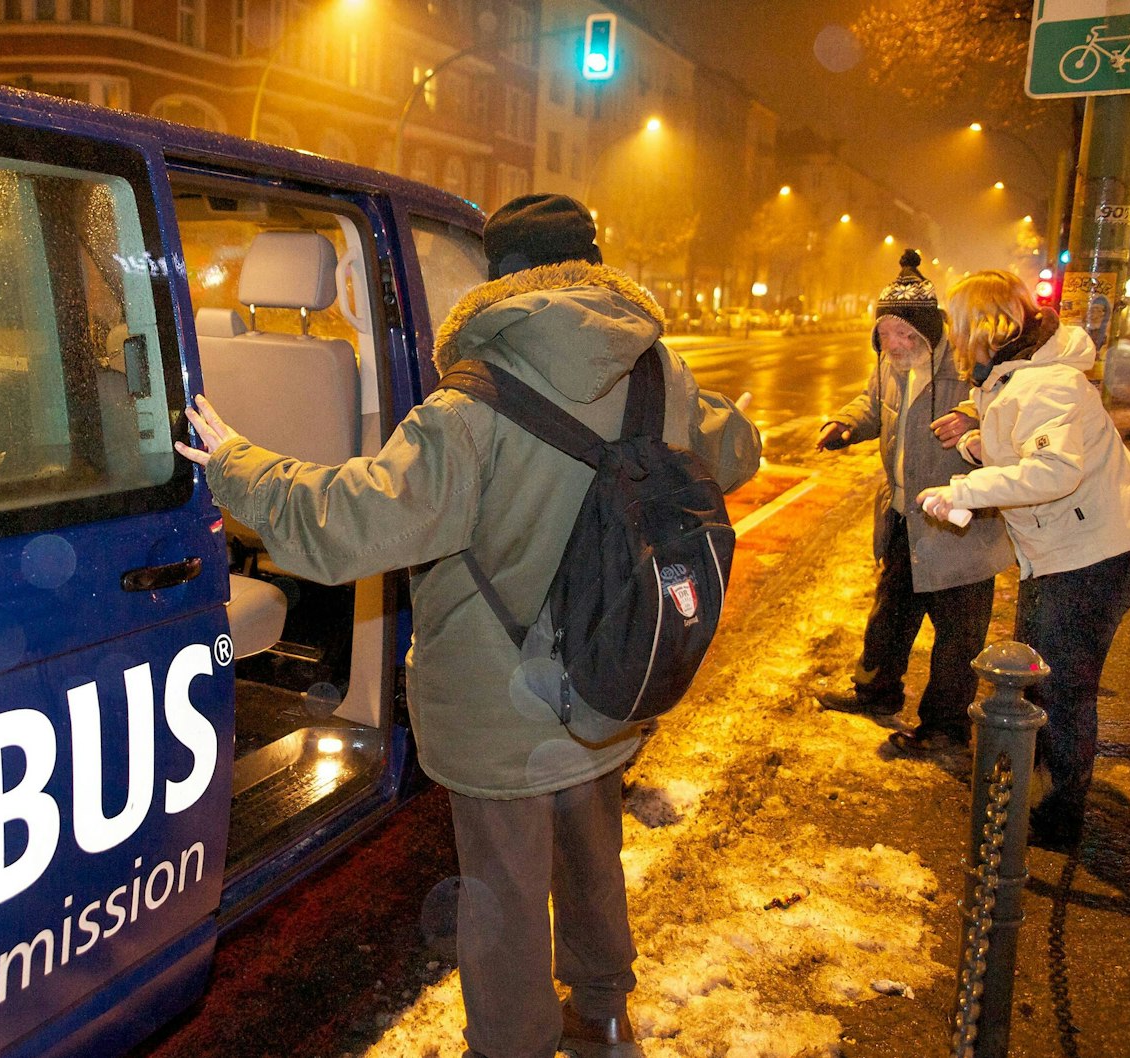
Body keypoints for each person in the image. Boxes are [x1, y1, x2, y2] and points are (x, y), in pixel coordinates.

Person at [176, 194, 760, 1058]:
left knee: (504, 891)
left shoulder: (470, 404)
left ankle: (511, 1045)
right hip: (609, 671)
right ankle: (602, 1014)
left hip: (502, 702)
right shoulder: (655, 371)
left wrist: (237, 465)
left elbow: (352, 524)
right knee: (589, 846)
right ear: (590, 266)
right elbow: (738, 451)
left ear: (498, 278)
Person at [918, 269, 1130, 850]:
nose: (952, 338)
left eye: (956, 325)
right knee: (1040, 675)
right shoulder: (1009, 378)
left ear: (981, 326)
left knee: (1061, 685)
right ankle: (1037, 794)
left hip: (1097, 551)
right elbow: (1024, 452)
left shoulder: (1046, 382)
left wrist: (963, 490)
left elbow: (1054, 471)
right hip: (1069, 550)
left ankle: (1057, 818)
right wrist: (977, 445)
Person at [814, 251, 1014, 752]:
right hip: (906, 514)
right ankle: (876, 690)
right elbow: (871, 403)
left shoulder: (971, 368)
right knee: (891, 612)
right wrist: (846, 425)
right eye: (886, 333)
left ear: (930, 332)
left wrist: (976, 420)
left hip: (960, 521)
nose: (896, 344)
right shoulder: (889, 365)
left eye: (907, 335)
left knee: (958, 634)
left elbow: (1010, 424)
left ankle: (945, 728)